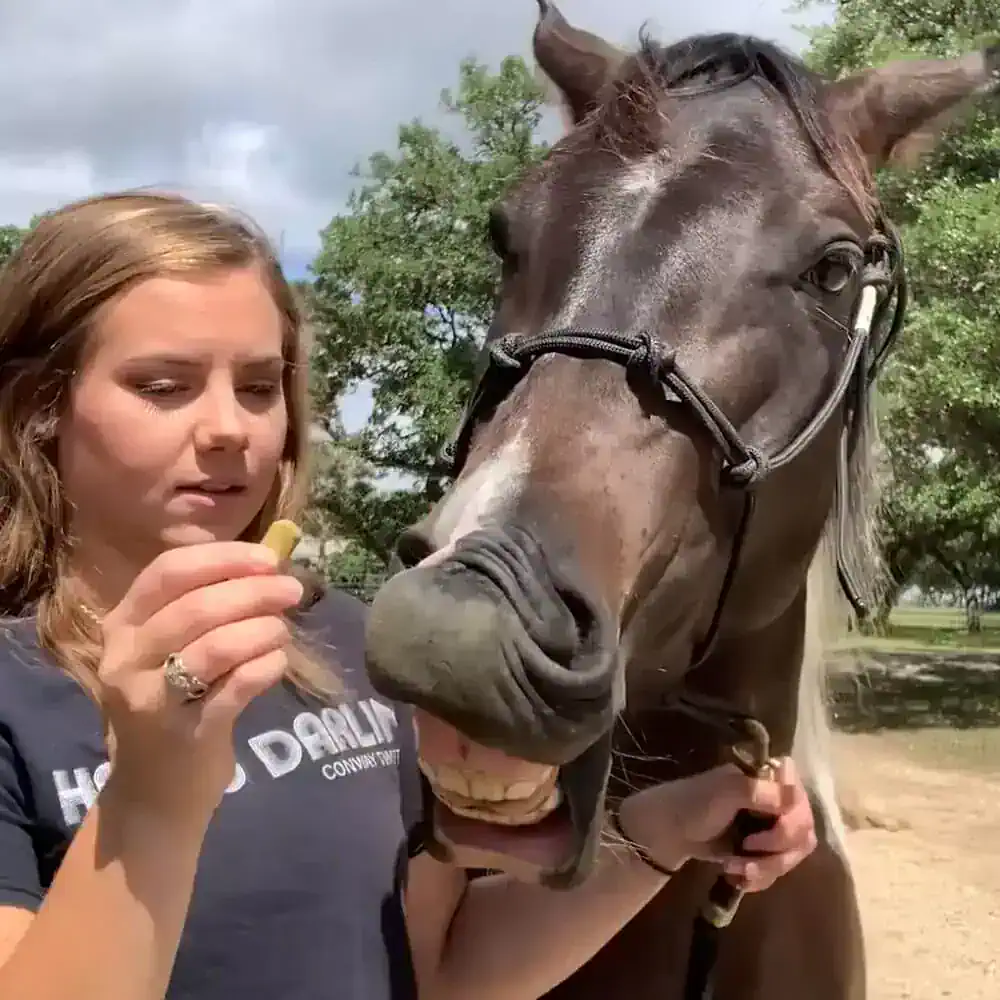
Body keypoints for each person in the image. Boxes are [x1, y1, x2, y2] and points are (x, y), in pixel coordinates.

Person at [0, 190, 818, 1000]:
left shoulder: (356, 644)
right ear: (42, 409)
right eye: (164, 385)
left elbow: (446, 969)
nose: (230, 428)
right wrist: (150, 795)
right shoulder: (12, 699)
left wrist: (663, 833)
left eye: (257, 387)